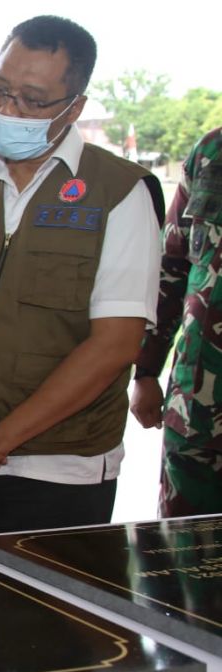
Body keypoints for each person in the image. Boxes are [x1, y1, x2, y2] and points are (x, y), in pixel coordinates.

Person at [0, 15, 165, 538]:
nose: (8, 110)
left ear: (73, 108)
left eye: (32, 100)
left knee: (43, 597)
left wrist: (3, 440)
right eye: (0, 90)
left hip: (59, 470)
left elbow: (116, 343)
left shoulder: (119, 192)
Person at [130, 127, 222, 517]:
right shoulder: (212, 151)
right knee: (182, 543)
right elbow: (170, 265)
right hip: (197, 409)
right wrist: (145, 371)